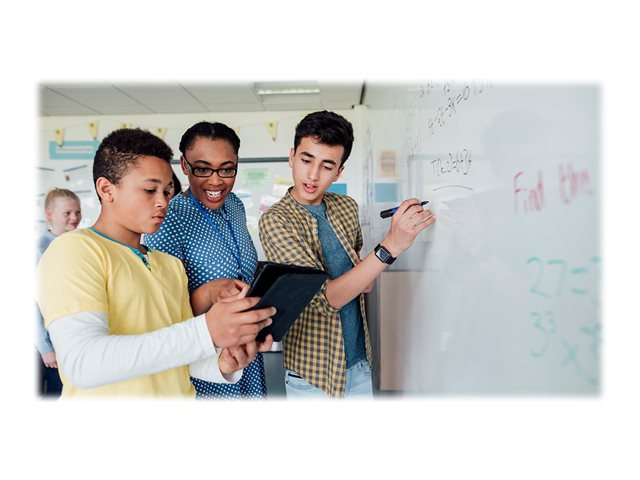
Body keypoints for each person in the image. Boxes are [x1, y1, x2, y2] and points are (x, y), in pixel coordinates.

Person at [36, 128, 275, 398]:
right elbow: (83, 363)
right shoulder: (75, 250)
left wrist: (222, 362)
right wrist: (207, 330)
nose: (162, 202)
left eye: (167, 191)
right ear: (106, 189)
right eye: (150, 190)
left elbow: (177, 353)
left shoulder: (170, 266)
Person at [259, 111, 436, 399]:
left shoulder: (346, 207)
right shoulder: (276, 220)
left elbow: (363, 279)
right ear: (292, 157)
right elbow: (324, 299)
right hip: (313, 374)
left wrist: (365, 273)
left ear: (339, 172)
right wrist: (390, 246)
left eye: (327, 166)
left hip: (359, 362)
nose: (313, 175)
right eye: (306, 160)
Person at [145, 121, 267, 399]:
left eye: (227, 169)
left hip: (245, 350)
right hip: (204, 360)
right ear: (184, 166)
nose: (215, 181)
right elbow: (162, 314)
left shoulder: (235, 205)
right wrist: (210, 292)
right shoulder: (169, 218)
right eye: (202, 169)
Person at [35, 188, 82, 397]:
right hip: (50, 345)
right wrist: (45, 347)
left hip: (72, 338)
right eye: (67, 213)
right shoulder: (40, 248)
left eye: (77, 212)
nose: (74, 218)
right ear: (50, 214)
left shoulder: (79, 243)